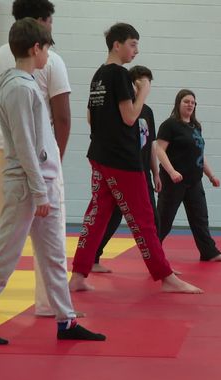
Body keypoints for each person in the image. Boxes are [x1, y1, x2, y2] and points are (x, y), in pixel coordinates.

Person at [0, 18, 105, 345]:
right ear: (35, 48)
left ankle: (66, 320)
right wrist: (40, 192)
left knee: (54, 256)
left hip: (42, 184)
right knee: (5, 254)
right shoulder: (16, 86)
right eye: (47, 49)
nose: (49, 57)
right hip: (28, 188)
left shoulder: (25, 82)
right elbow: (25, 145)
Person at [68, 23, 202, 294]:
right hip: (121, 160)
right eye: (132, 44)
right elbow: (130, 117)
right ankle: (165, 276)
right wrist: (143, 91)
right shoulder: (118, 75)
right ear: (117, 44)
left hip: (100, 154)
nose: (136, 51)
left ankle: (79, 275)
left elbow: (91, 117)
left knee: (98, 214)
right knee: (144, 219)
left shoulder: (98, 76)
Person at [0, 0, 75, 317]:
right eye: (50, 22)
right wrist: (55, 161)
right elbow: (63, 117)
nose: (52, 27)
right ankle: (47, 303)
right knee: (47, 233)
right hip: (34, 152)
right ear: (40, 25)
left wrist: (8, 127)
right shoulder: (50, 59)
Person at [91, 65, 161, 273]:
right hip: (122, 169)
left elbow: (151, 145)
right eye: (141, 82)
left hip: (142, 171)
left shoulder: (147, 112)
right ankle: (93, 258)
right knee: (110, 217)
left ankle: (159, 264)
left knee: (153, 220)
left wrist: (156, 172)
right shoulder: (122, 107)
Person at [155, 89, 221, 262]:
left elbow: (199, 153)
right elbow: (159, 149)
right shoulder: (170, 125)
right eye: (186, 101)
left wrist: (211, 175)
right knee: (164, 219)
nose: (190, 104)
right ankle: (153, 253)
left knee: (200, 218)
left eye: (193, 102)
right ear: (178, 104)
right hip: (174, 181)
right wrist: (171, 171)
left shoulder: (195, 126)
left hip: (194, 181)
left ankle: (209, 252)